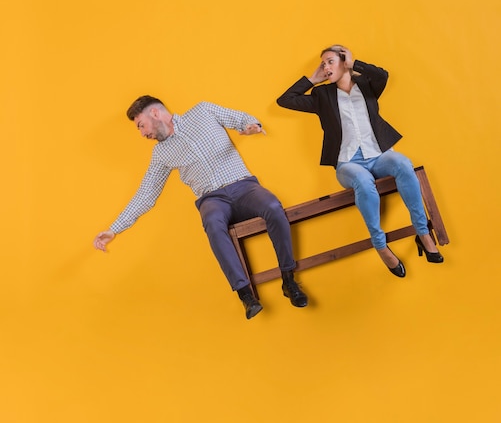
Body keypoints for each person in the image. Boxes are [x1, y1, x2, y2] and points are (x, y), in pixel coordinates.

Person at [93, 95, 308, 319]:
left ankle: (289, 281)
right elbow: (146, 194)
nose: (142, 133)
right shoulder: (160, 154)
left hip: (243, 187)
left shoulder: (203, 112)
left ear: (155, 114)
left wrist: (250, 126)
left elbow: (240, 118)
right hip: (212, 199)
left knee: (273, 206)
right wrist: (114, 229)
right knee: (213, 224)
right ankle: (246, 296)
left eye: (141, 125)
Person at [276, 45, 444, 277]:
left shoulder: (367, 86)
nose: (325, 67)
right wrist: (312, 79)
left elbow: (383, 75)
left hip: (379, 155)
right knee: (364, 183)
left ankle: (423, 233)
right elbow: (285, 100)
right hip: (348, 164)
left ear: (344, 61)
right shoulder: (322, 96)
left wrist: (353, 64)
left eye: (330, 61)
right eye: (323, 63)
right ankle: (380, 245)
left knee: (404, 164)